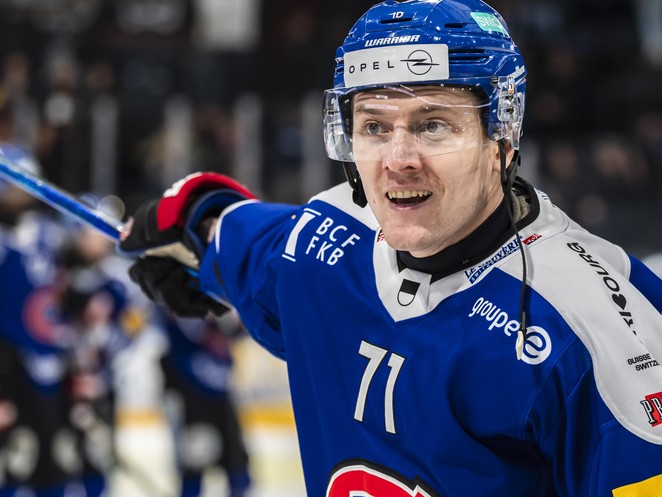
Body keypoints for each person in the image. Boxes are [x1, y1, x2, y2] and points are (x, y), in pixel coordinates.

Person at [118, 1, 662, 496]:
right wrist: (193, 217)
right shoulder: (318, 242)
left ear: (502, 132)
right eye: (374, 126)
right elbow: (229, 235)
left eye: (433, 125)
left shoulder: (597, 329)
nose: (398, 160)